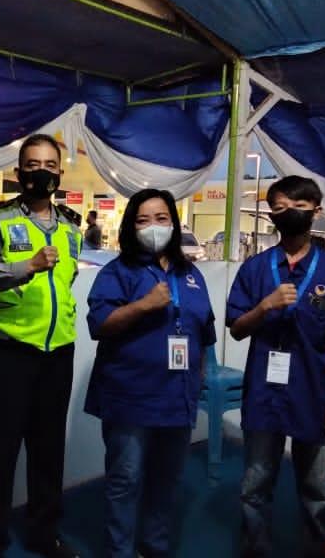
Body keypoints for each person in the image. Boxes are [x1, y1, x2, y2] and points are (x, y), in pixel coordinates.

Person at [226, 176, 325, 558]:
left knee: (316, 488)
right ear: (271, 214)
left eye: (299, 207)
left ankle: (314, 550)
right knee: (255, 483)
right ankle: (255, 550)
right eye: (281, 207)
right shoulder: (255, 269)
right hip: (264, 393)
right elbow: (236, 329)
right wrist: (264, 306)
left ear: (317, 212)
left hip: (314, 393)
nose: (290, 214)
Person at [85, 189, 216, 558]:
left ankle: (154, 547)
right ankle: (119, 552)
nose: (153, 226)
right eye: (143, 220)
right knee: (125, 480)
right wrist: (143, 305)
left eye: (161, 218)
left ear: (173, 223)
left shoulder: (191, 274)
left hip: (178, 398)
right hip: (130, 397)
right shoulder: (118, 272)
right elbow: (100, 325)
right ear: (131, 227)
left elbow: (204, 331)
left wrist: (199, 378)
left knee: (166, 480)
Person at [0, 134, 83, 558]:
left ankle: (43, 533)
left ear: (60, 172)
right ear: (18, 172)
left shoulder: (71, 227)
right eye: (33, 164)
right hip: (8, 351)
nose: (42, 172)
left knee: (48, 451)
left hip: (58, 352)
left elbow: (68, 281)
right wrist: (27, 267)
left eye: (50, 165)